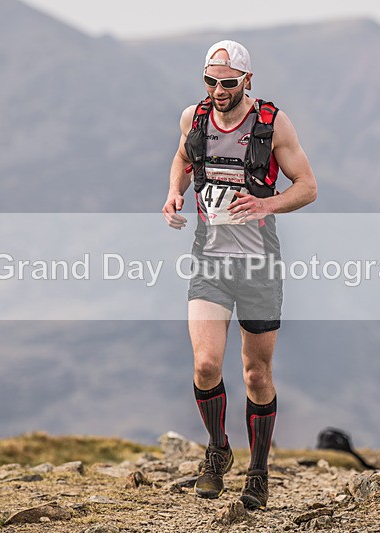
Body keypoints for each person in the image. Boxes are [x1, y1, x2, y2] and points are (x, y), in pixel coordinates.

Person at [162, 40, 317, 510]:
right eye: (210, 81)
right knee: (206, 365)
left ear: (247, 80)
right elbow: (184, 159)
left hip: (258, 266)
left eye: (227, 82)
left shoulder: (271, 123)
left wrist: (267, 203)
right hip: (209, 261)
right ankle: (218, 451)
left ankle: (258, 472)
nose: (218, 90)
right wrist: (173, 193)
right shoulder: (195, 118)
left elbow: (307, 186)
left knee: (255, 373)